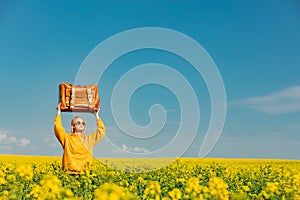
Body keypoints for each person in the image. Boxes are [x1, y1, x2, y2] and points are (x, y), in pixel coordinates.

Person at [54, 102, 106, 173]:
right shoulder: (67, 138)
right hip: (69, 173)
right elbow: (58, 128)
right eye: (78, 123)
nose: (81, 124)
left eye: (83, 123)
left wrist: (96, 115)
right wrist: (59, 112)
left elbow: (101, 131)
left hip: (85, 174)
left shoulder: (89, 139)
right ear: (73, 126)